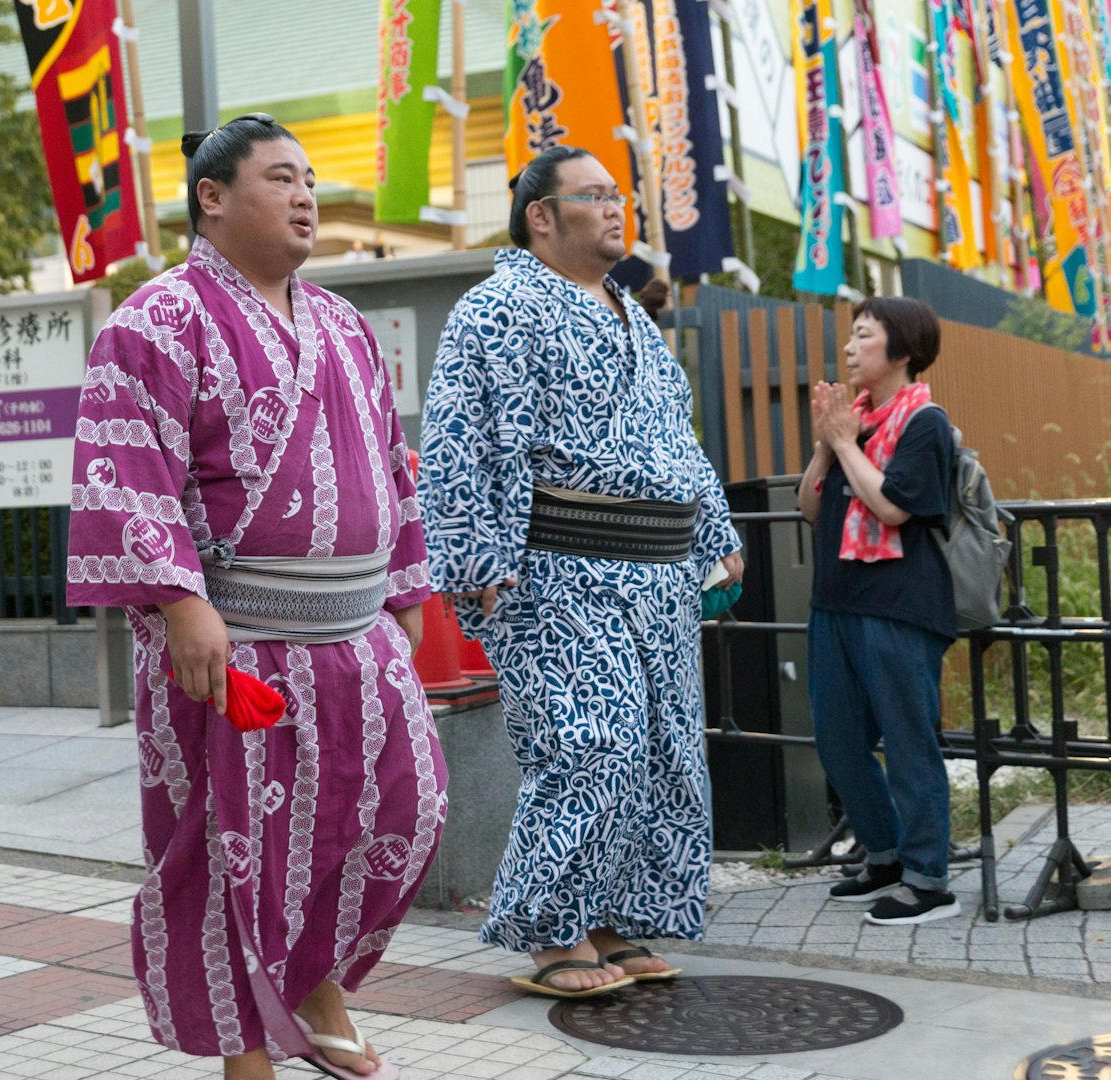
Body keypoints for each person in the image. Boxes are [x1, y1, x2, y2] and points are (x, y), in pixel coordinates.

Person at [66, 116, 445, 1080]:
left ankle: (318, 987)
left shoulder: (345, 326)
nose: (307, 194)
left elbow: (390, 468)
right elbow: (127, 470)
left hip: (356, 633)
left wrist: (405, 587)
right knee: (236, 854)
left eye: (311, 178)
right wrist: (179, 602)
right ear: (213, 196)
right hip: (235, 641)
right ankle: (249, 1059)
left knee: (401, 810)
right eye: (282, 177)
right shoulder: (153, 320)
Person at [418, 146, 743, 999]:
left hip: (658, 573)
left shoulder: (631, 316)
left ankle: (607, 920)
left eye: (619, 196)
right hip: (555, 570)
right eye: (595, 195)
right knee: (590, 745)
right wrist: (476, 559)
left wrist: (716, 529)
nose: (616, 208)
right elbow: (460, 440)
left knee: (661, 754)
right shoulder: (498, 309)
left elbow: (679, 438)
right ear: (541, 214)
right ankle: (546, 927)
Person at [798, 297, 959, 925]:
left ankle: (928, 878)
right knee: (838, 740)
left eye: (864, 336)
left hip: (900, 604)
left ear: (903, 350)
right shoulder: (855, 421)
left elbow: (894, 508)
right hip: (836, 600)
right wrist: (826, 446)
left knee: (909, 739)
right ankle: (886, 855)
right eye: (851, 335)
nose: (849, 348)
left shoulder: (926, 424)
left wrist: (845, 443)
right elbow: (811, 508)